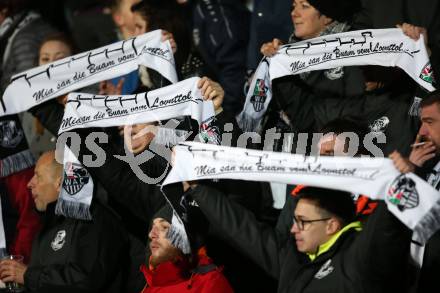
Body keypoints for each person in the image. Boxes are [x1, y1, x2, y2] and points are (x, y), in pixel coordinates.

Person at [186, 182, 412, 293]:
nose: (293, 229)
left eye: (303, 222)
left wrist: (405, 178)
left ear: (332, 225)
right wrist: (198, 189)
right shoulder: (294, 257)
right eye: (295, 220)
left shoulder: (359, 258)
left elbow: (387, 229)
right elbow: (245, 229)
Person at [0, 151, 128, 292]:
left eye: (38, 176)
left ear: (59, 183)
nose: (29, 184)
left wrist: (27, 276)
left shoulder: (94, 219)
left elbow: (85, 280)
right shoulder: (47, 226)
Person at [390, 90, 440, 293]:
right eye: (422, 122)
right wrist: (411, 175)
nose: (422, 131)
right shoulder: (427, 164)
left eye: (429, 122)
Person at [139, 202, 233, 292]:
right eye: (152, 227)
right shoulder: (148, 286)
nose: (151, 234)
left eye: (164, 227)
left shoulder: (210, 283)